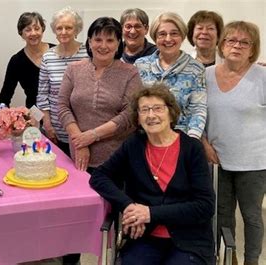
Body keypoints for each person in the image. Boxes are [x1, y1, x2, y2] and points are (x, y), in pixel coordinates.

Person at [90, 84, 215, 265]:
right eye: (144, 110)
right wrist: (129, 206)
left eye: (158, 108)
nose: (151, 115)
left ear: (171, 113)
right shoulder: (133, 146)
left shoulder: (192, 149)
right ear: (138, 118)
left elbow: (205, 206)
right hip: (145, 237)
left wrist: (150, 213)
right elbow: (99, 176)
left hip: (189, 239)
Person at [203, 21, 265, 265]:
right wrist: (204, 143)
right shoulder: (206, 74)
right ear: (222, 44)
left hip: (254, 162)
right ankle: (229, 259)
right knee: (221, 214)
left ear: (253, 48)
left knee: (251, 216)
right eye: (231, 40)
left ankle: (252, 261)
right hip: (217, 159)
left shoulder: (262, 76)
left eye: (244, 42)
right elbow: (199, 113)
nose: (237, 46)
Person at [58, 17, 142, 172]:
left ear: (118, 44)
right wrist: (80, 142)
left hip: (116, 158)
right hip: (78, 153)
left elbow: (129, 114)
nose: (103, 46)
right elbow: (62, 106)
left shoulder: (130, 73)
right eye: (98, 39)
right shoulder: (73, 69)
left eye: (110, 40)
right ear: (90, 42)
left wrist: (92, 135)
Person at [134, 12, 206, 139]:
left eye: (174, 33)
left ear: (182, 37)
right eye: (162, 34)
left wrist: (191, 143)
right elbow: (134, 107)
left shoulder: (196, 69)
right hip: (146, 138)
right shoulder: (140, 65)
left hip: (182, 140)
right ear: (155, 38)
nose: (168, 39)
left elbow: (198, 110)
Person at [36, 6, 88, 156]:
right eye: (59, 28)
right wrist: (47, 124)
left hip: (82, 130)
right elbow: (42, 95)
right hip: (55, 129)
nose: (63, 32)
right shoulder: (48, 57)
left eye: (68, 28)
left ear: (77, 29)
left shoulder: (88, 54)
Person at [0, 12, 55, 108]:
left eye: (37, 28)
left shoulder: (56, 52)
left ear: (42, 29)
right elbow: (5, 95)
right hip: (34, 115)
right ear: (21, 33)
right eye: (28, 30)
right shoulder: (16, 61)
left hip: (61, 113)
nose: (33, 33)